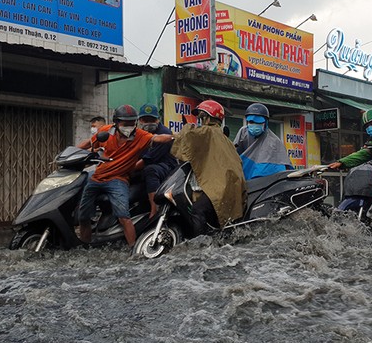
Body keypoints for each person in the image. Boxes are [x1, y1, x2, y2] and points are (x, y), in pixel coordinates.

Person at [77, 105, 173, 246]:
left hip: (118, 180)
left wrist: (175, 136)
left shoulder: (141, 136)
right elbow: (88, 143)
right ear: (116, 122)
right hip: (97, 178)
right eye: (125, 124)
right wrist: (71, 153)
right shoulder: (105, 132)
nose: (129, 127)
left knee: (123, 217)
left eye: (132, 123)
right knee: (83, 216)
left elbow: (159, 139)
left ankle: (133, 248)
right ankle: (85, 245)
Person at [170, 100, 246, 234]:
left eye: (200, 117)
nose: (199, 120)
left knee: (197, 211)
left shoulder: (207, 132)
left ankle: (199, 244)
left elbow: (187, 138)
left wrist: (183, 129)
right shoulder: (221, 137)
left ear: (208, 118)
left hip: (220, 186)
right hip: (229, 185)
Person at [135, 103, 177, 217]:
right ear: (140, 120)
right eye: (145, 119)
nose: (148, 123)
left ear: (157, 120)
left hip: (165, 166)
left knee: (150, 170)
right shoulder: (137, 134)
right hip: (143, 165)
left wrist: (126, 167)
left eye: (151, 119)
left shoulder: (164, 134)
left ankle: (155, 210)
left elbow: (147, 160)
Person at [233, 103, 292, 180]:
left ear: (265, 123)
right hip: (242, 178)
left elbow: (280, 169)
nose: (254, 125)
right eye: (251, 122)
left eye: (258, 122)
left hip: (262, 183)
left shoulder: (274, 142)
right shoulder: (243, 132)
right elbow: (233, 152)